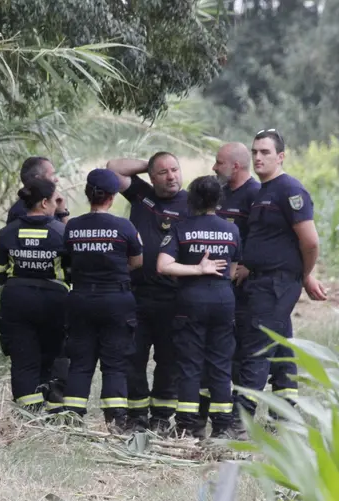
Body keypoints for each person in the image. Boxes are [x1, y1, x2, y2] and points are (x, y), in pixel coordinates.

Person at [233, 128, 327, 438]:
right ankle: (284, 417)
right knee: (282, 350)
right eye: (255, 152)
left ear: (281, 157)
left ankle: (241, 422)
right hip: (262, 280)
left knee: (256, 349)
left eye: (265, 153)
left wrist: (304, 275)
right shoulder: (263, 191)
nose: (258, 157)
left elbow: (310, 242)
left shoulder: (289, 190)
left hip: (276, 284)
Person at [105, 152, 188, 433]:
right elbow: (113, 168)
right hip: (137, 293)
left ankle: (162, 417)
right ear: (152, 177)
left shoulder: (191, 203)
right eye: (163, 172)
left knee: (168, 359)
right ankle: (137, 417)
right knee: (133, 356)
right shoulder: (142, 194)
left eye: (175, 169)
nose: (171, 176)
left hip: (174, 297)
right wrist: (149, 164)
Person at [60, 168, 143, 434]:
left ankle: (72, 418)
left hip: (81, 298)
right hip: (116, 300)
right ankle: (116, 421)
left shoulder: (73, 226)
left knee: (81, 362)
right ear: (114, 195)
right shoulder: (124, 226)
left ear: (88, 193)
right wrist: (117, 272)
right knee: (115, 362)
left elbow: (69, 262)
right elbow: (137, 260)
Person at [156, 175, 239, 439]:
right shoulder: (232, 230)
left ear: (191, 199)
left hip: (191, 301)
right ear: (218, 200)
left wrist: (195, 269)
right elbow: (233, 269)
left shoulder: (181, 228)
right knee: (221, 364)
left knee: (190, 365)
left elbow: (163, 266)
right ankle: (223, 426)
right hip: (224, 299)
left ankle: (188, 426)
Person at [0, 178, 71, 412]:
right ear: (44, 203)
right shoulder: (61, 233)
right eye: (55, 200)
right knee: (55, 354)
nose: (56, 205)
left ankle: (30, 415)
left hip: (16, 300)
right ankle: (55, 407)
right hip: (53, 301)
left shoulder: (8, 232)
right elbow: (73, 271)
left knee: (23, 360)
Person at [196, 142, 261, 420]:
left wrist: (246, 264)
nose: (214, 167)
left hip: (245, 289)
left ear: (235, 165)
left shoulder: (256, 194)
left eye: (219, 162)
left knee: (244, 351)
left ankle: (239, 415)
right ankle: (207, 413)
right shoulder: (217, 194)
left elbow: (265, 235)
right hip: (215, 287)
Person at [7, 156, 70, 224]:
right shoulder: (20, 212)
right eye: (52, 175)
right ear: (38, 180)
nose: (57, 179)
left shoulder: (54, 204)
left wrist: (62, 212)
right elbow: (61, 233)